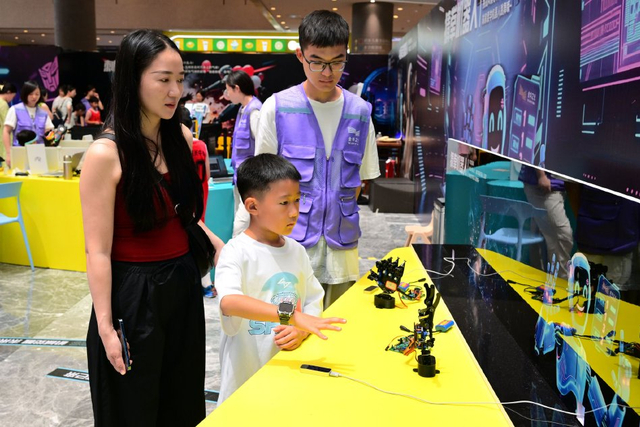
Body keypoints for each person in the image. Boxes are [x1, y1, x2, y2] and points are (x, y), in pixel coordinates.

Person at [79, 29, 224, 426]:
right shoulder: (105, 154)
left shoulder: (181, 138)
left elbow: (185, 216)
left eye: (179, 79)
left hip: (182, 285)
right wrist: (105, 327)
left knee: (182, 400)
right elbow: (97, 250)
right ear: (133, 79)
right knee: (132, 407)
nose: (175, 91)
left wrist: (221, 247)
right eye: (163, 79)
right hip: (133, 294)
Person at [255, 10, 381, 307]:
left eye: (337, 61)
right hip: (290, 248)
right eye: (317, 61)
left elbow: (360, 181)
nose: (327, 72)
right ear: (300, 55)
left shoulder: (360, 112)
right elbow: (261, 184)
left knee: (338, 328)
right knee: (288, 328)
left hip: (342, 253)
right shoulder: (277, 108)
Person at [215, 153, 346, 404]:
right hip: (246, 379)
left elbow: (312, 300)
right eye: (284, 203)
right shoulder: (236, 252)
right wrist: (292, 317)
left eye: (297, 200)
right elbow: (229, 302)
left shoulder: (296, 250)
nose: (295, 212)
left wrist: (301, 330)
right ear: (252, 206)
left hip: (288, 370)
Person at [178, 105, 216, 298]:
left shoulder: (178, 146)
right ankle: (207, 285)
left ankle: (196, 285)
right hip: (201, 198)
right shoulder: (201, 145)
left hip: (184, 201)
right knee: (200, 238)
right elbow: (207, 174)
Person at [224, 69, 262, 237]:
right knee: (241, 221)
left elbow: (262, 146)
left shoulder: (254, 111)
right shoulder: (242, 109)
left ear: (237, 88)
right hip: (240, 176)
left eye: (228, 90)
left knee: (240, 225)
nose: (227, 94)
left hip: (251, 179)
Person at [519, 165, 573, 279]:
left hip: (556, 184)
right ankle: (560, 281)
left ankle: (540, 279)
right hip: (544, 186)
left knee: (539, 235)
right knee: (562, 235)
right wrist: (541, 175)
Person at [2, 80, 54, 167]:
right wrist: (8, 153)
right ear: (25, 94)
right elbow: (6, 131)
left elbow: (50, 132)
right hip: (20, 152)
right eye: (31, 94)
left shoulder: (43, 113)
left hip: (39, 155)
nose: (34, 97)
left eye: (37, 94)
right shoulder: (15, 109)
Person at [0, 82, 17, 160]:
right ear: (8, 92)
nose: (11, 99)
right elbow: (7, 122)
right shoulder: (3, 104)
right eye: (13, 96)